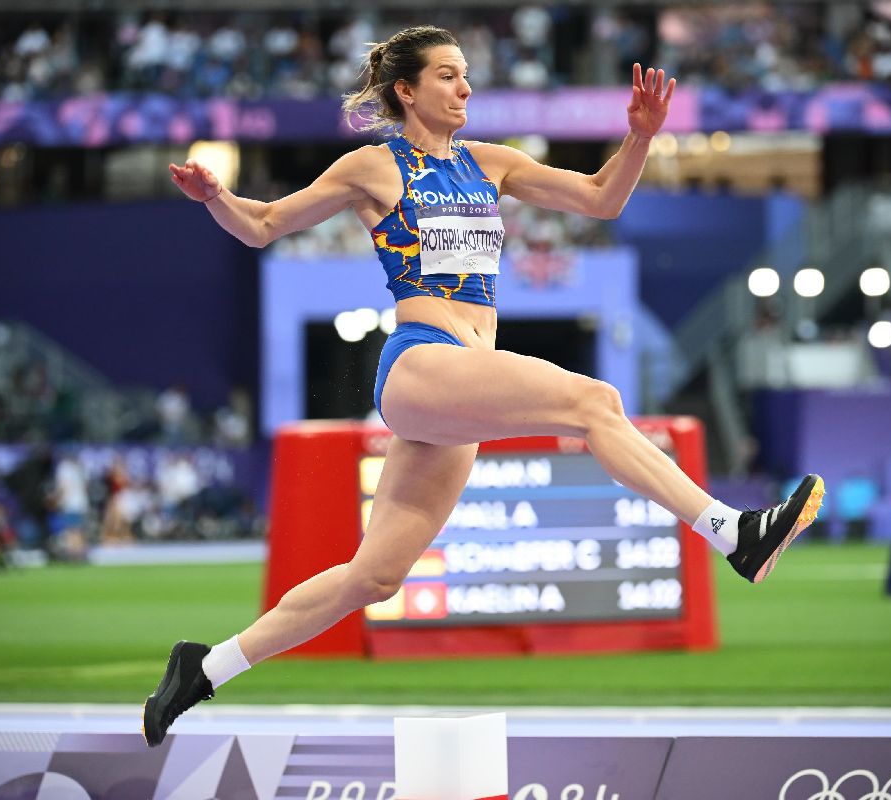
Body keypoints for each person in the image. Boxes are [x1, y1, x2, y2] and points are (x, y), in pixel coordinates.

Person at [143, 25, 824, 746]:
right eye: (446, 75)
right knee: (597, 403)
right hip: (420, 361)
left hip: (457, 390)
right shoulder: (374, 167)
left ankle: (204, 667)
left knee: (372, 579)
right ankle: (733, 531)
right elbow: (264, 224)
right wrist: (217, 195)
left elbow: (600, 200)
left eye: (466, 75)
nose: (464, 87)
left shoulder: (490, 163)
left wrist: (641, 138)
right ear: (406, 90)